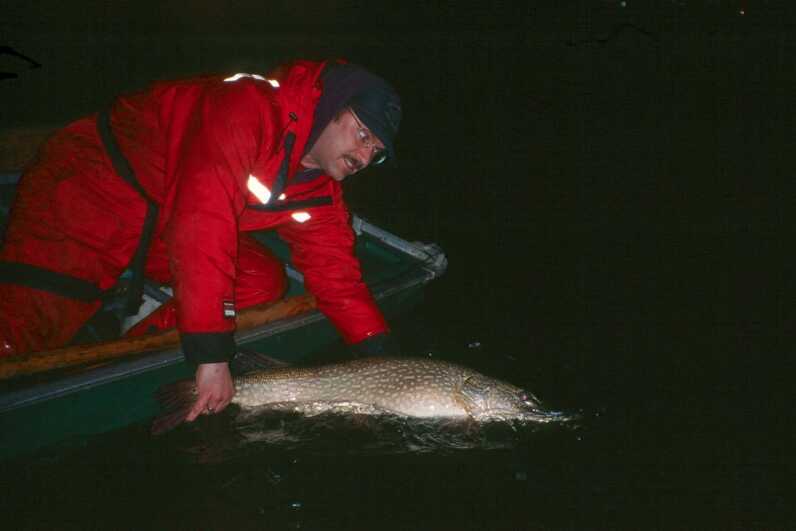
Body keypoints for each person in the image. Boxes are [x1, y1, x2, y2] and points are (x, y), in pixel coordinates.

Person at [0, 59, 402, 422]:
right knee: (19, 334)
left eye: (377, 153)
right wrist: (212, 357)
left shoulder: (321, 191)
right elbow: (202, 222)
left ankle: (118, 359)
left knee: (259, 280)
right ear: (332, 106)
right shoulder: (247, 108)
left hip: (164, 222)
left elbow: (337, 277)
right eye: (363, 134)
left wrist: (382, 356)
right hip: (93, 187)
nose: (364, 158)